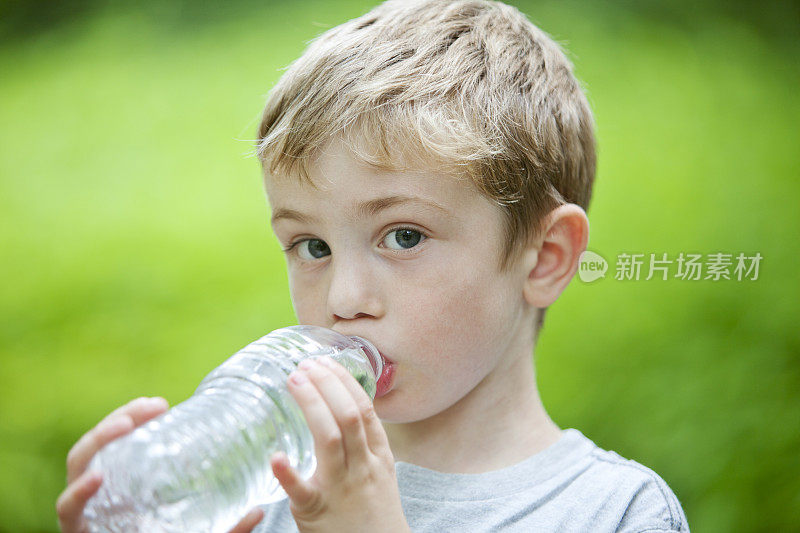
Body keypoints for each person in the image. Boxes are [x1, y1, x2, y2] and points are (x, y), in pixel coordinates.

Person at [57, 0, 690, 531]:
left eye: (404, 236)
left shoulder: (613, 512)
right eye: (313, 247)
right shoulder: (275, 487)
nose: (343, 298)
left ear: (544, 257)